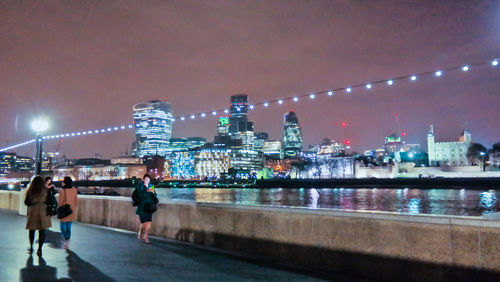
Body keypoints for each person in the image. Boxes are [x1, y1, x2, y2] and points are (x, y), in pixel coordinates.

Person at [25, 176, 51, 256]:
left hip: (33, 211)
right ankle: (40, 249)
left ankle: (31, 247)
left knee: (32, 230)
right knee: (42, 231)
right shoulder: (46, 190)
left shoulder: (30, 190)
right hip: (43, 211)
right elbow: (49, 201)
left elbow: (27, 202)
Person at [135, 174, 157, 243]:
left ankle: (146, 236)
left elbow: (155, 195)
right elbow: (140, 194)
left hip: (150, 207)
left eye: (149, 179)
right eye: (146, 179)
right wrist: (148, 192)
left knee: (149, 222)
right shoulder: (140, 185)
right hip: (142, 207)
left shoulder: (151, 186)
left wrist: (152, 193)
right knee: (143, 222)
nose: (147, 181)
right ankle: (140, 231)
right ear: (143, 179)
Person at [58, 176, 78, 248]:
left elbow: (60, 202)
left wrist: (59, 209)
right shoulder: (74, 189)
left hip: (63, 210)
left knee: (62, 226)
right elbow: (76, 201)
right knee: (69, 225)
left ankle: (66, 237)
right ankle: (68, 237)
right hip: (71, 210)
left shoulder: (62, 190)